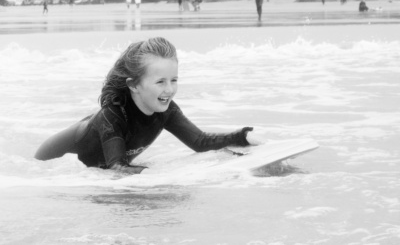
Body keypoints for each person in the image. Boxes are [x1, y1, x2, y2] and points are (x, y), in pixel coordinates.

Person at [34, 37, 262, 174]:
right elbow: (116, 169)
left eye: (174, 80)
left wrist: (241, 137)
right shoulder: (113, 116)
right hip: (48, 162)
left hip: (95, 167)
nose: (169, 89)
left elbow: (200, 142)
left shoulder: (167, 108)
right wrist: (157, 176)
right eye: (160, 82)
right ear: (133, 85)